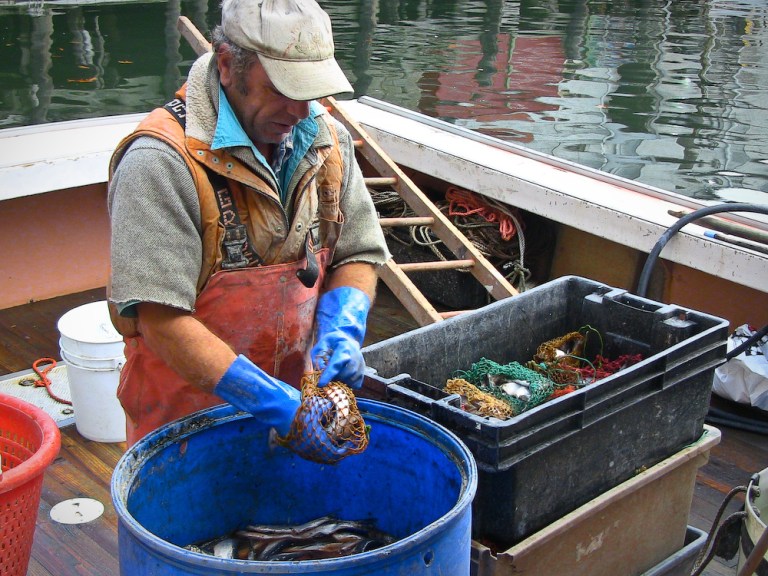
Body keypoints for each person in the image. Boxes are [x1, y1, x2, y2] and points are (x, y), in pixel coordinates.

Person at [107, 0, 390, 450]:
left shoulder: (329, 141)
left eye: (310, 91)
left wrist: (344, 325)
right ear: (227, 66)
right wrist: (280, 408)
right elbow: (160, 319)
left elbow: (358, 253)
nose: (300, 111)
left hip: (300, 408)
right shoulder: (159, 161)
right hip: (186, 424)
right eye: (281, 89)